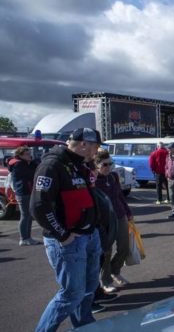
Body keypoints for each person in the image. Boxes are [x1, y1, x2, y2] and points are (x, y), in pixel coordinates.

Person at [32, 128, 103, 331]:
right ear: (83, 144)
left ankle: (83, 326)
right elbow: (39, 205)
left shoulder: (79, 164)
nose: (97, 151)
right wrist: (62, 235)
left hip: (88, 236)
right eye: (95, 146)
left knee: (88, 289)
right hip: (69, 241)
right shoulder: (53, 164)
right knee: (72, 293)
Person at [94, 150, 132, 294]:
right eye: (105, 164)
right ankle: (105, 281)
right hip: (104, 220)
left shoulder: (114, 176)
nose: (108, 167)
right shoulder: (94, 180)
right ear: (97, 165)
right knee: (106, 252)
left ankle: (114, 271)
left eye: (111, 163)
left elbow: (120, 196)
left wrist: (128, 213)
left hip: (120, 214)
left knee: (124, 247)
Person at [8, 146, 41, 246]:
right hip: (23, 192)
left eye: (30, 153)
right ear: (20, 155)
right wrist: (33, 164)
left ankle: (28, 237)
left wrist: (33, 163)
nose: (29, 155)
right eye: (27, 154)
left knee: (28, 215)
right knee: (25, 215)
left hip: (27, 191)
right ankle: (24, 238)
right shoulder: (18, 164)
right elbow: (31, 174)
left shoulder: (24, 163)